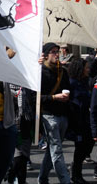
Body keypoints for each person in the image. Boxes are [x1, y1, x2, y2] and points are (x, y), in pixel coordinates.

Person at [38, 42, 71, 184]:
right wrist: (54, 97)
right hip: (48, 115)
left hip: (62, 115)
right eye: (53, 52)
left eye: (57, 51)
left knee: (52, 150)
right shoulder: (40, 72)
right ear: (45, 55)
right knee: (56, 150)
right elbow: (36, 98)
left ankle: (42, 178)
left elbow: (69, 89)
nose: (57, 54)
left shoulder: (63, 71)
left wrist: (66, 96)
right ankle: (65, 181)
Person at [67, 58, 94, 184]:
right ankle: (76, 175)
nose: (88, 69)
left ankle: (75, 168)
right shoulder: (71, 83)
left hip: (85, 118)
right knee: (80, 146)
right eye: (86, 67)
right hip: (76, 119)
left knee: (89, 144)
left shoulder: (85, 82)